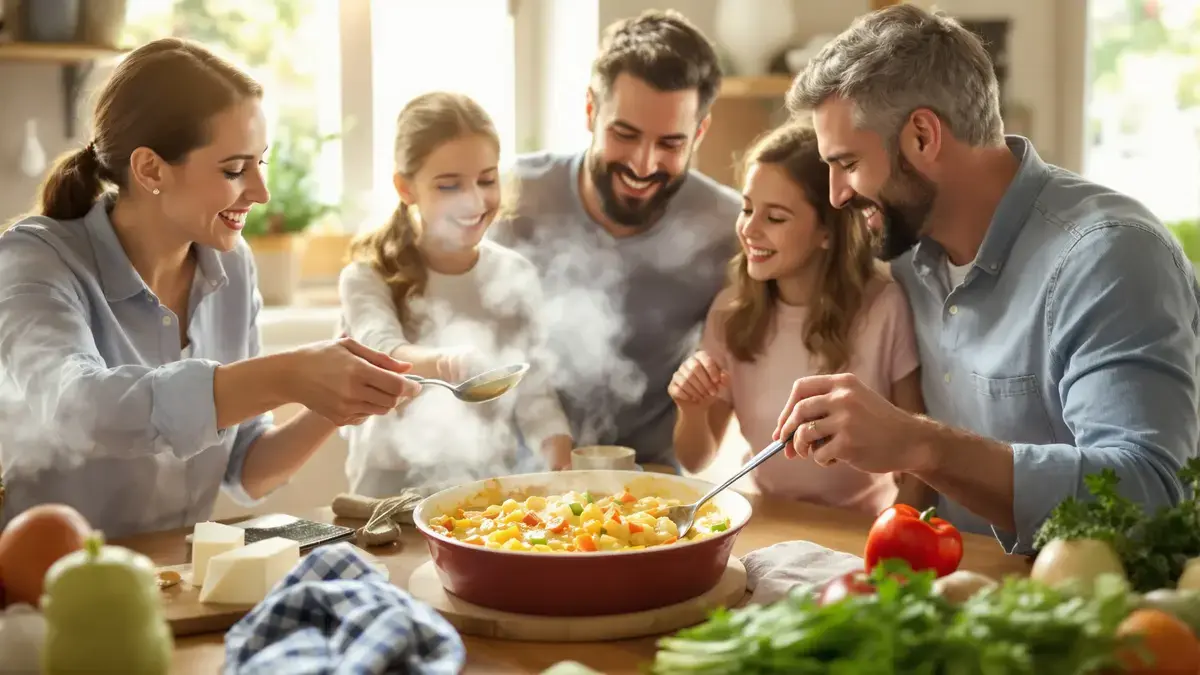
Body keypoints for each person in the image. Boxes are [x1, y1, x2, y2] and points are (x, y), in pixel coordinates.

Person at [774, 4, 1200, 553]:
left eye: (848, 163)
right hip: (956, 585)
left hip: (1097, 612)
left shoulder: (1109, 258)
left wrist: (921, 444)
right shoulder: (907, 251)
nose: (836, 195)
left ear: (923, 137)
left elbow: (1149, 495)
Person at [0, 38, 420, 539]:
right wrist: (287, 374)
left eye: (259, 163)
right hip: (44, 589)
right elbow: (80, 409)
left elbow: (247, 469)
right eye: (233, 169)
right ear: (151, 168)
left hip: (175, 581)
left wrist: (337, 401)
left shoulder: (231, 266)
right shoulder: (36, 258)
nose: (261, 193)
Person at [490, 10, 742, 471]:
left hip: (652, 481)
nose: (643, 165)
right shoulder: (512, 198)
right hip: (511, 477)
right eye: (624, 135)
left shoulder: (728, 228)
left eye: (670, 143)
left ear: (699, 132)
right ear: (591, 111)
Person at [670, 122, 926, 514]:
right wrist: (691, 408)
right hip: (766, 519)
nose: (749, 229)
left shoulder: (883, 307)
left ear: (827, 230)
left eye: (775, 218)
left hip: (859, 527)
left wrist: (897, 540)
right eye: (747, 209)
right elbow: (695, 459)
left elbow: (916, 463)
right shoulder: (730, 312)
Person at [338, 92, 573, 497]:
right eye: (449, 185)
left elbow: (535, 393)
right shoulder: (367, 276)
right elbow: (383, 349)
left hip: (486, 494)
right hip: (385, 498)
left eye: (487, 179)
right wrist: (447, 361)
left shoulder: (515, 274)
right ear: (405, 187)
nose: (476, 201)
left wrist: (561, 460)